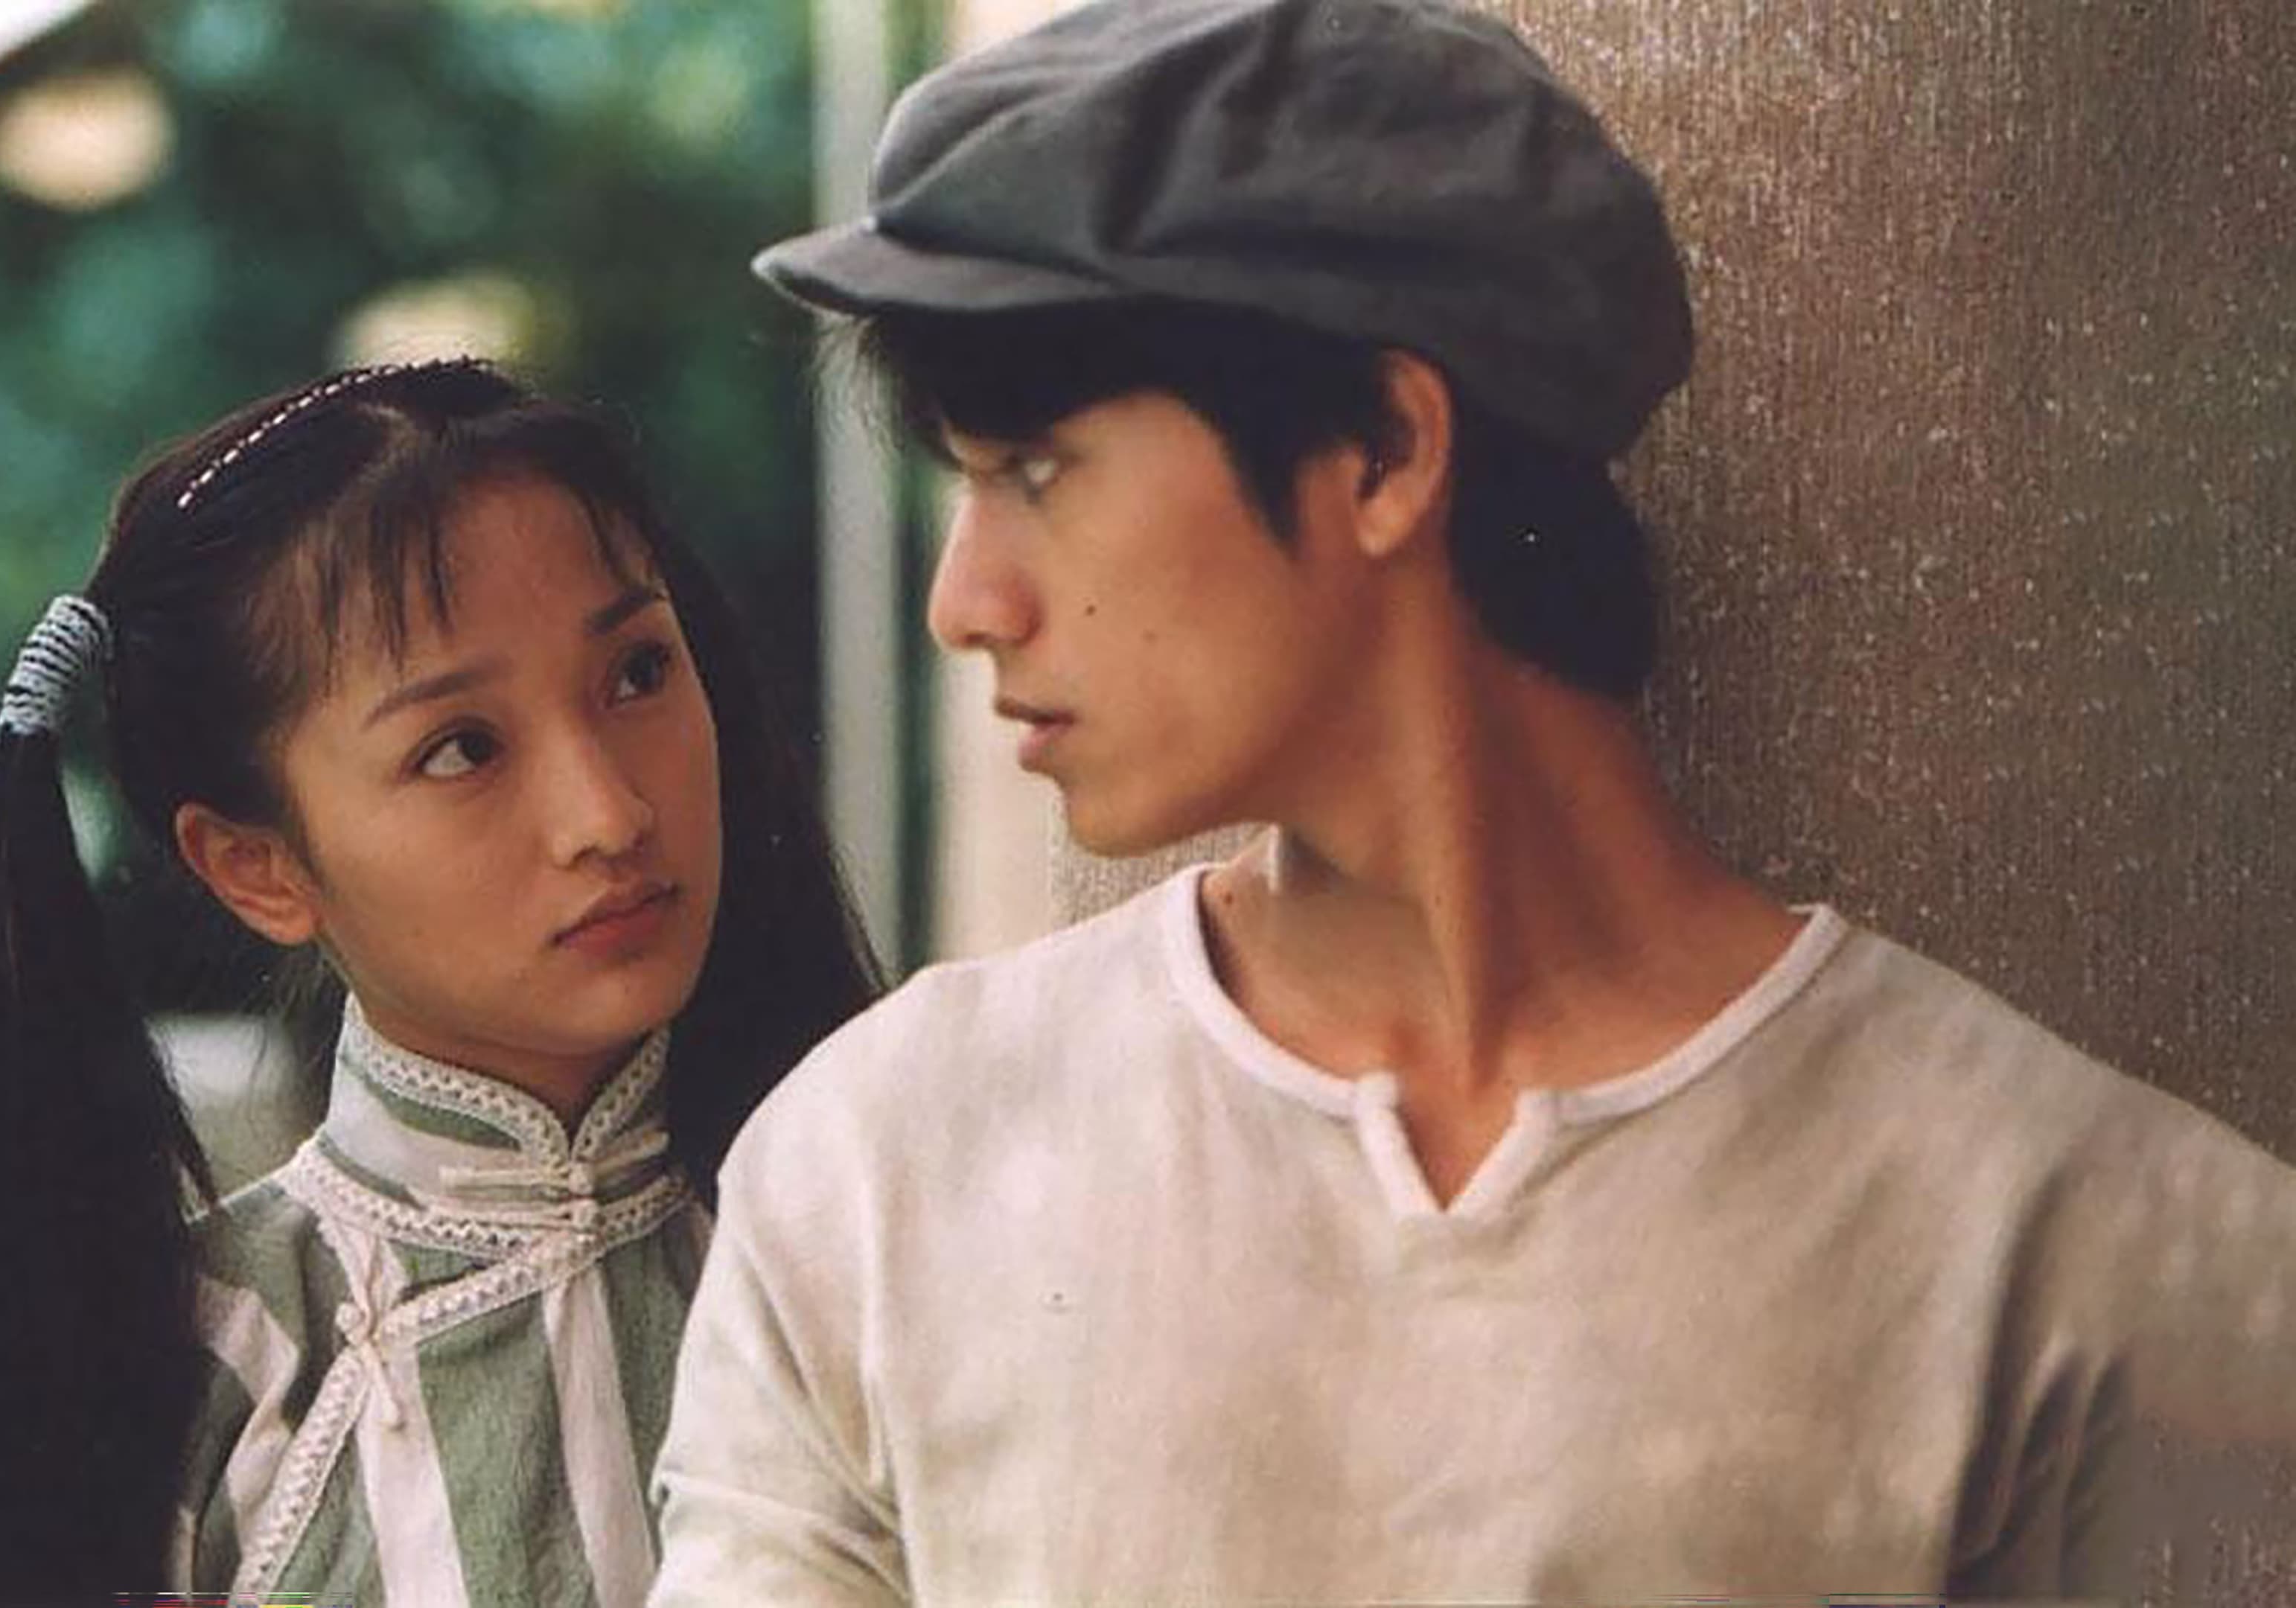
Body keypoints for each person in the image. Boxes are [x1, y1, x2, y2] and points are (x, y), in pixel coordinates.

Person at [648, 1, 2296, 1602]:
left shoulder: (2067, 1242)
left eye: (1033, 471)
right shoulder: (884, 1166)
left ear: (1383, 447)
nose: (965, 602)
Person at [0, 358, 879, 1608]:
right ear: (257, 867)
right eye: (461, 748)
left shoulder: (871, 1235)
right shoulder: (194, 1377)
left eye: (638, 673)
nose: (607, 814)